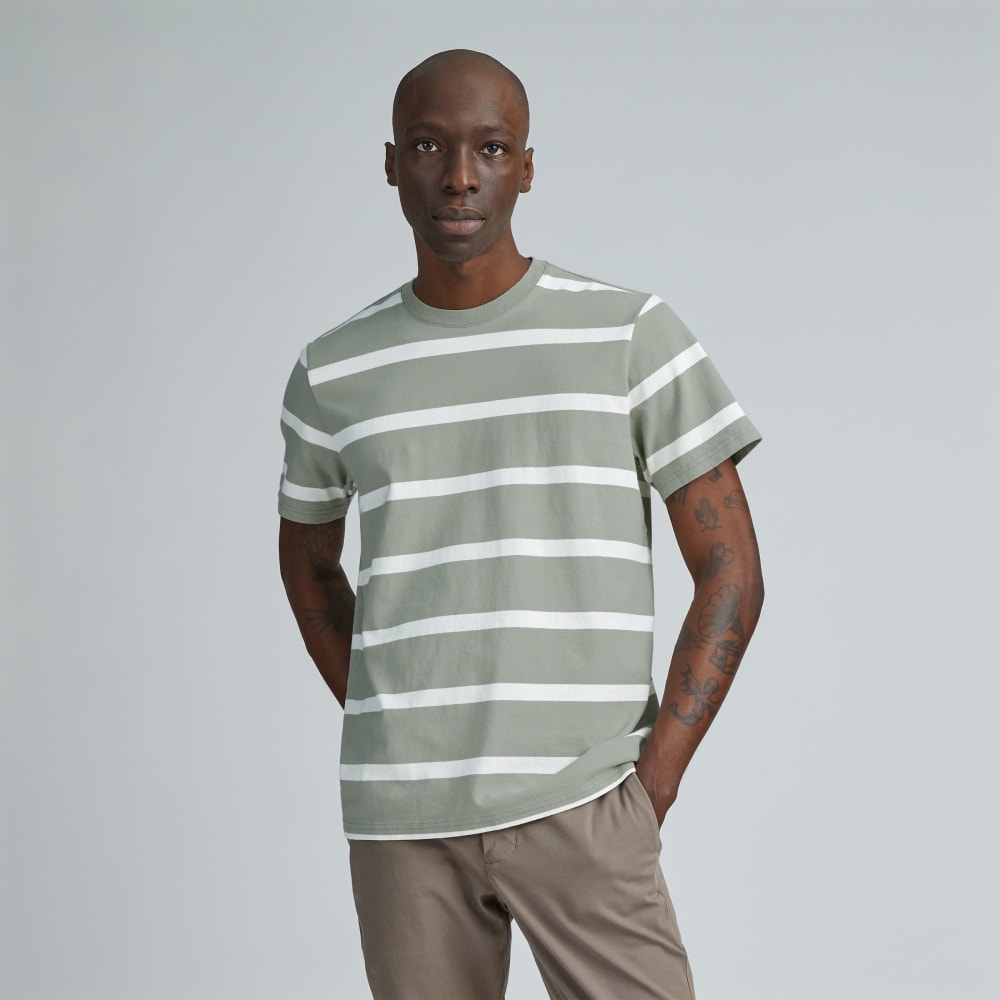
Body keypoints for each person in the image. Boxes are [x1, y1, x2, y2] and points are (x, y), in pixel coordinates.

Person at [277, 48, 763, 1000]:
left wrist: (653, 784)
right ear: (391, 164)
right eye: (430, 146)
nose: (460, 176)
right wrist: (392, 714)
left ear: (527, 167)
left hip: (586, 800)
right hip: (403, 823)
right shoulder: (333, 372)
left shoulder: (629, 334)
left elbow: (732, 569)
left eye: (491, 148)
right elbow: (306, 562)